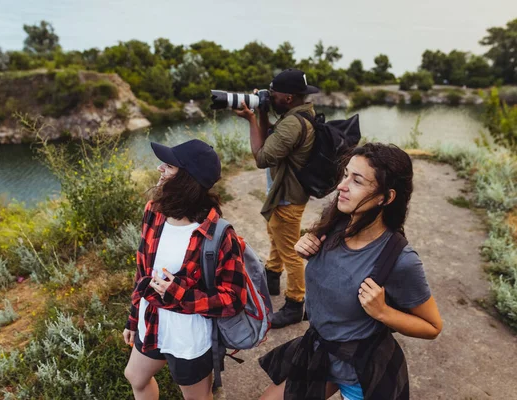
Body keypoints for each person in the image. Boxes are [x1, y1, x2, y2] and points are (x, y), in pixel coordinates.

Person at [258, 143, 443, 400]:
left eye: (356, 180)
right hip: (320, 353)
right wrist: (306, 245)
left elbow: (433, 327)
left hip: (360, 373)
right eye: (345, 175)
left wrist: (383, 312)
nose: (341, 186)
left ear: (386, 197)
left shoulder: (400, 259)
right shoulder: (334, 225)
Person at [122, 139, 247, 400]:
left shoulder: (219, 235)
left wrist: (179, 292)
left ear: (187, 179)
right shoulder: (154, 212)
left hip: (189, 341)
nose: (160, 169)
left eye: (168, 165)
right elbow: (142, 269)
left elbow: (233, 300)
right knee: (135, 377)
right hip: (152, 323)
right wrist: (134, 318)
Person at [234, 68, 320, 328]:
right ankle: (272, 276)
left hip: (287, 197)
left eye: (274, 95)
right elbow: (273, 139)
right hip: (286, 194)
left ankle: (296, 303)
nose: (270, 98)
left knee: (291, 251)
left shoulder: (294, 122)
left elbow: (262, 157)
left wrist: (251, 120)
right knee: (277, 235)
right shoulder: (298, 115)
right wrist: (260, 112)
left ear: (289, 97)